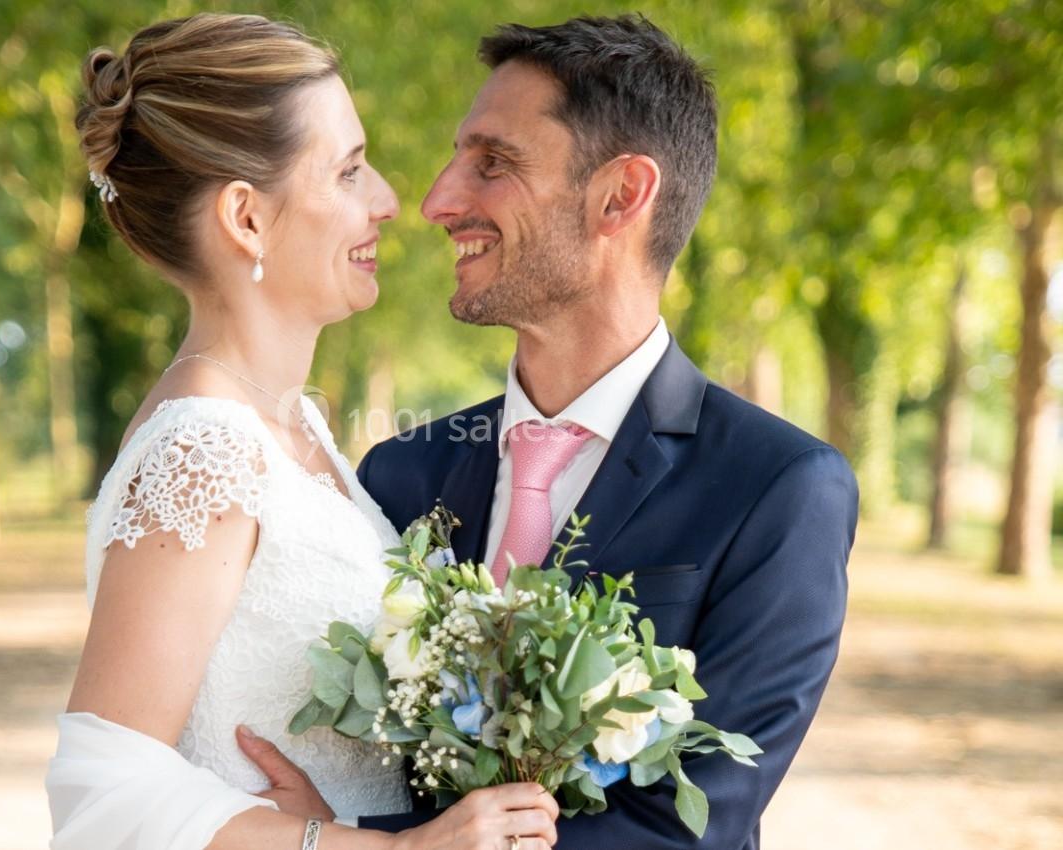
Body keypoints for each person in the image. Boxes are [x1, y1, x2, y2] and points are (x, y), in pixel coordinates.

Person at [246, 14, 859, 850]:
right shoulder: (398, 474)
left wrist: (356, 840)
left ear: (621, 196)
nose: (435, 201)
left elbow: (691, 829)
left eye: (492, 163)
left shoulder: (780, 490)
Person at [44, 13, 558, 850]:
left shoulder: (295, 423)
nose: (390, 201)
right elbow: (107, 788)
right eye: (349, 172)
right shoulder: (202, 451)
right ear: (246, 218)